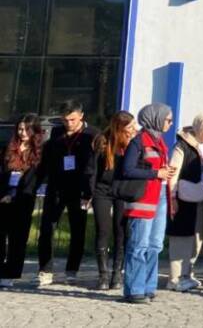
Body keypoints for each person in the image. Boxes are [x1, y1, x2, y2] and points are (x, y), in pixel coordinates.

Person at [36, 100, 98, 286]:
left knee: (77, 229)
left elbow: (94, 165)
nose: (68, 124)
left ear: (81, 116)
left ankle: (72, 269)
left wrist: (89, 191)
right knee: (47, 228)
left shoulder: (92, 134)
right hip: (56, 186)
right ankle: (45, 270)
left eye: (72, 119)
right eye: (65, 120)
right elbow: (47, 160)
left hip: (79, 188)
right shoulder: (56, 133)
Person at [120, 103, 175, 303]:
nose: (170, 123)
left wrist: (165, 172)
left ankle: (148, 287)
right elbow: (127, 170)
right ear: (156, 119)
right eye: (168, 119)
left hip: (160, 196)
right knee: (139, 245)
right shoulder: (138, 141)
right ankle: (134, 290)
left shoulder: (160, 142)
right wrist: (156, 173)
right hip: (143, 201)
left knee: (155, 245)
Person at [166, 113, 203, 292]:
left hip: (200, 200)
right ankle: (175, 278)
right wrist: (173, 198)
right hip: (183, 198)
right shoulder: (182, 146)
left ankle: (188, 274)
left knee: (197, 238)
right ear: (197, 128)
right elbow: (173, 173)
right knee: (181, 238)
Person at [90, 112, 136, 290]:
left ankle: (117, 273)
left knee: (121, 230)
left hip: (122, 190)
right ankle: (103, 274)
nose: (133, 129)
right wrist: (89, 192)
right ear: (119, 127)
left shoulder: (132, 143)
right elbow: (92, 169)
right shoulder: (102, 141)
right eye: (130, 126)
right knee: (103, 230)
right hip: (102, 190)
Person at [0, 114, 46, 288]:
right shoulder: (8, 148)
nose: (23, 132)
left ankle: (11, 272)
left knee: (17, 238)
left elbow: (36, 178)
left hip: (24, 198)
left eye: (27, 129)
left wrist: (17, 194)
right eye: (20, 128)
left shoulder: (40, 151)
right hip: (4, 197)